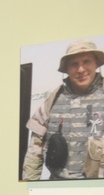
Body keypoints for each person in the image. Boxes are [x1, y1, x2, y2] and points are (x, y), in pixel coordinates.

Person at [22, 40, 104, 180]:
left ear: (96, 63)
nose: (80, 69)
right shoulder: (53, 100)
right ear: (67, 69)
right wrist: (29, 185)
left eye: (86, 61)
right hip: (59, 188)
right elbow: (35, 148)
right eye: (74, 64)